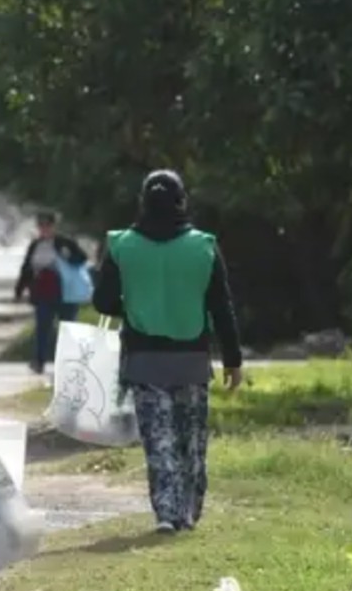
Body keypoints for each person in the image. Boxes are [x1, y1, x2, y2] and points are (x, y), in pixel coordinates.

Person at [92, 170, 244, 534]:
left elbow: (104, 301)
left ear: (143, 202)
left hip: (144, 362)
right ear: (182, 201)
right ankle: (188, 512)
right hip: (191, 361)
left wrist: (136, 302)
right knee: (190, 440)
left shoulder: (122, 245)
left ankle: (165, 513)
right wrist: (233, 359)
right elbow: (222, 307)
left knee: (158, 441)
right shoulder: (203, 246)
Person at [15, 211, 89, 375]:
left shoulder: (65, 243)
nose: (44, 229)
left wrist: (67, 256)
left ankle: (69, 363)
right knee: (42, 328)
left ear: (54, 226)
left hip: (66, 293)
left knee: (68, 329)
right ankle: (39, 361)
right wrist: (19, 290)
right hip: (43, 293)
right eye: (41, 226)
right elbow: (27, 268)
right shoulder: (36, 245)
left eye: (47, 225)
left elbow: (82, 259)